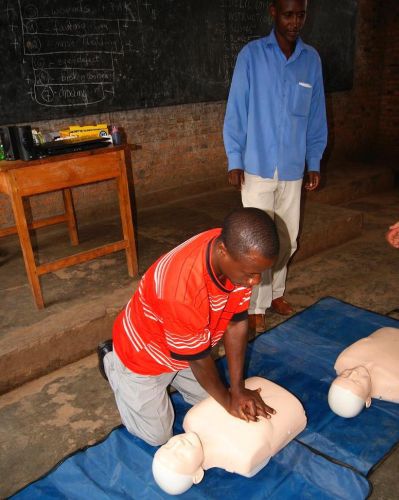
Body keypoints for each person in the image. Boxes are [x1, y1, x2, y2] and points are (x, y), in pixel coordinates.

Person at [97, 208, 280, 446]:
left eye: (260, 274)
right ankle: (112, 361)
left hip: (187, 348)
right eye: (251, 274)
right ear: (223, 251)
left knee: (215, 406)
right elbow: (198, 359)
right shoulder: (182, 289)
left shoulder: (236, 253)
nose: (255, 281)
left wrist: (237, 390)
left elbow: (236, 324)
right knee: (158, 437)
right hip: (144, 356)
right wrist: (228, 401)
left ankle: (178, 369)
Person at [223, 0, 328, 333]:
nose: (295, 22)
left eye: (300, 15)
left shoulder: (310, 61)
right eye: (288, 14)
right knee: (256, 245)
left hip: (293, 168)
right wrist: (235, 159)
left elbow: (316, 116)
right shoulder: (252, 56)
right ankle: (255, 305)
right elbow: (236, 110)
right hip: (256, 167)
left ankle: (275, 293)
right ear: (273, 12)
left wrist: (314, 160)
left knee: (287, 241)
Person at [152, 376, 307, 495]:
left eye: (169, 445)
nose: (179, 444)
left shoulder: (191, 419)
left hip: (252, 389)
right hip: (290, 408)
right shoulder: (243, 459)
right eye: (180, 455)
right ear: (198, 475)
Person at [328, 327, 399, 418]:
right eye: (357, 382)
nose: (353, 373)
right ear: (368, 400)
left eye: (344, 375)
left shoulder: (344, 359)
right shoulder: (394, 384)